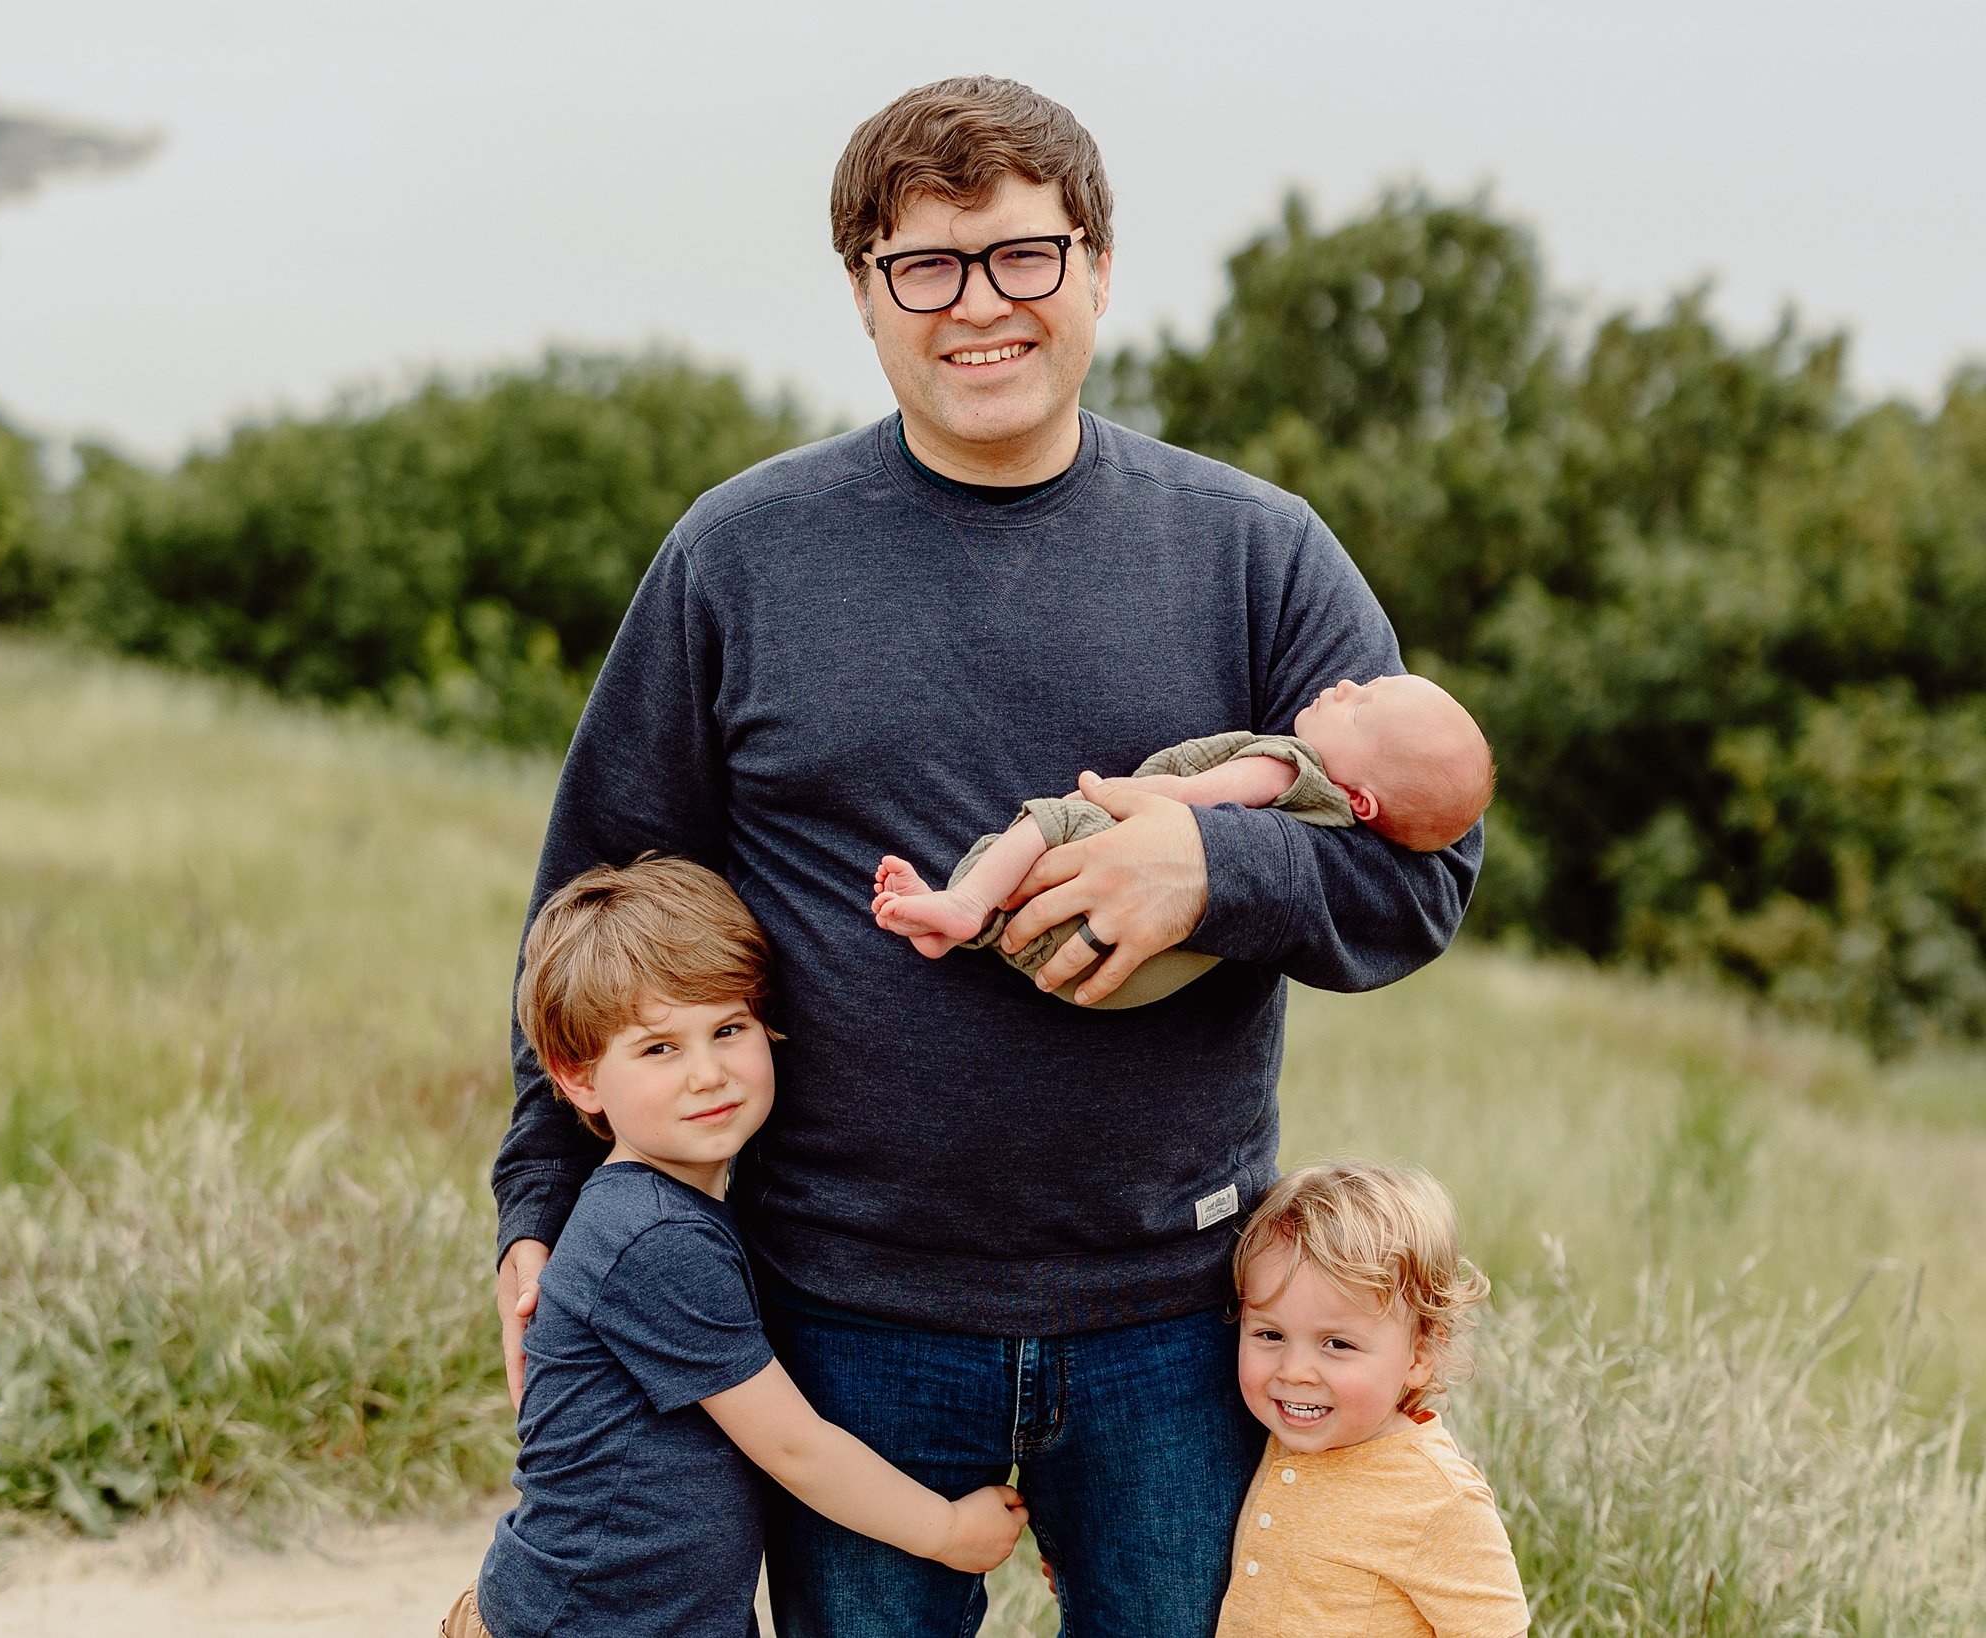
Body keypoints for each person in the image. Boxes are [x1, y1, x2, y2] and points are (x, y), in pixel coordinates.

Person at [493, 76, 1482, 1637]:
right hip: (842, 1308)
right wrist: (536, 1200)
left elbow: (1428, 874)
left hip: (1178, 1316)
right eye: (926, 266)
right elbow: (592, 897)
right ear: (866, 295)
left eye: (1024, 255)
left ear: (1096, 268)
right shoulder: (739, 557)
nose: (980, 306)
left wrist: (1207, 876)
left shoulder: (1258, 550)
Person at [446, 858, 1025, 1638]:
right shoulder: (654, 1237)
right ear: (578, 1079)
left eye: (728, 1029)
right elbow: (795, 1448)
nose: (708, 1074)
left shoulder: (672, 1207)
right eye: (659, 1049)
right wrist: (946, 1532)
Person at [870, 673, 1492, 1007]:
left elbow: (1196, 798)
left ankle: (965, 905)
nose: (1348, 686)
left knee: (1050, 822)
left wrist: (1112, 796)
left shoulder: (1287, 767)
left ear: (1361, 799)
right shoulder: (1338, 824)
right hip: (1132, 980)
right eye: (1367, 684)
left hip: (1092, 930)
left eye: (1361, 710)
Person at [1216, 1163, 1528, 1637]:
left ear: (1420, 1354)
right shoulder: (1275, 1440)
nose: (1293, 1371)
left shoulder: (1438, 1500)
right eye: (1270, 1333)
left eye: (1337, 1344)